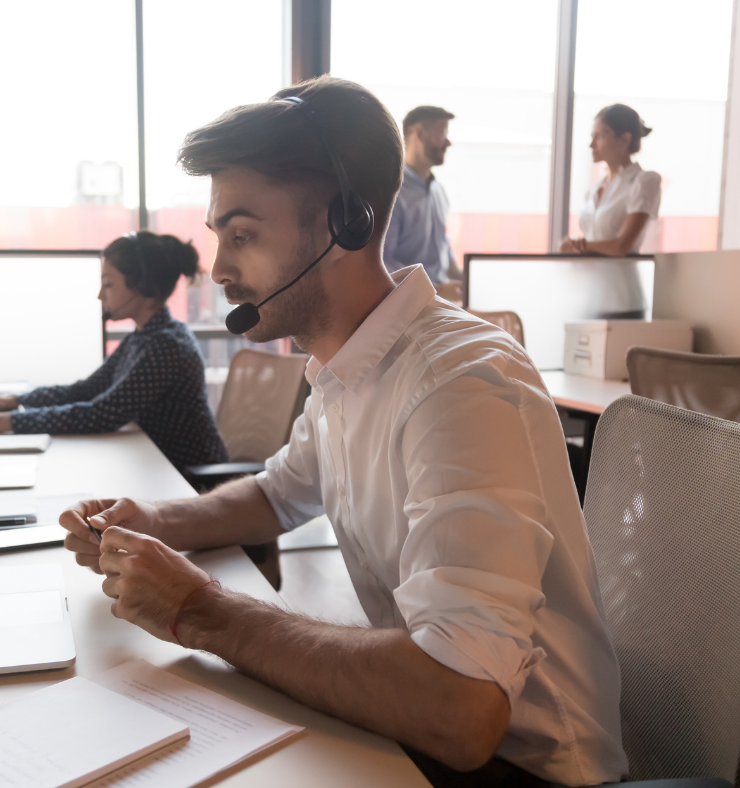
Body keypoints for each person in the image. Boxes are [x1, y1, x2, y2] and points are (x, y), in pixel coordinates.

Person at [59, 77, 627, 787]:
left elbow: (462, 707)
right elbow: (277, 495)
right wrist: (154, 521)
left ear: (346, 224)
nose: (220, 269)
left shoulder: (459, 385)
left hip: (527, 768)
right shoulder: (343, 369)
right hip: (413, 732)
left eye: (242, 235)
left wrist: (197, 611)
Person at [0, 232, 229, 471]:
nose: (100, 295)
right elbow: (86, 390)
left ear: (143, 286)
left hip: (188, 479)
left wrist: (2, 423)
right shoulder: (144, 337)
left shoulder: (166, 346)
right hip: (154, 465)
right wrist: (10, 402)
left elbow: (102, 413)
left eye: (108, 283)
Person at [383, 105, 462, 301]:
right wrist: (434, 289)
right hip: (406, 304)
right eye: (442, 132)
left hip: (439, 302)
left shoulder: (438, 191)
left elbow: (443, 245)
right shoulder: (392, 191)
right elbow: (384, 261)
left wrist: (465, 279)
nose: (448, 142)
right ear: (418, 132)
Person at [561, 104, 661, 255]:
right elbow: (596, 241)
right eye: (592, 136)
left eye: (600, 136)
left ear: (624, 139)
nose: (591, 144)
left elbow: (622, 246)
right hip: (590, 275)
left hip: (621, 277)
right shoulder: (594, 190)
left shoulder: (644, 181)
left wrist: (578, 245)